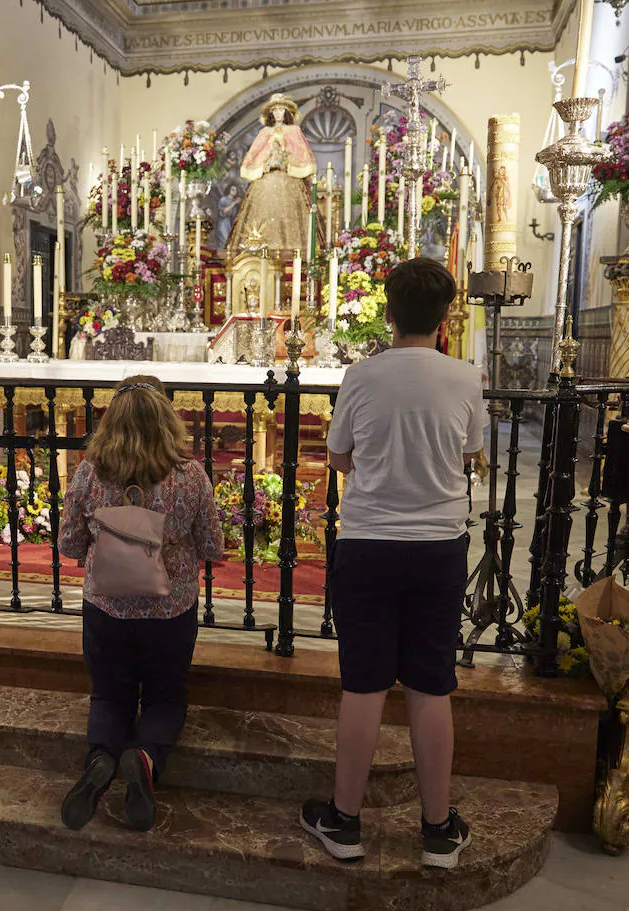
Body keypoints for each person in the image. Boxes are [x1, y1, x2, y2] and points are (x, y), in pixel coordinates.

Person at [300, 258, 483, 869]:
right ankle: (437, 831)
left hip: (369, 543)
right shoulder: (465, 377)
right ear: (445, 316)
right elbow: (470, 453)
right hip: (438, 548)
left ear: (388, 312)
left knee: (364, 684)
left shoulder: (362, 374)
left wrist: (378, 473)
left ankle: (345, 822)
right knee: (432, 685)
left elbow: (339, 455)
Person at [57, 375, 223, 832]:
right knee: (166, 696)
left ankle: (99, 761)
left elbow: (69, 543)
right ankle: (145, 757)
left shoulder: (90, 472)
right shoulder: (190, 476)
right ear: (168, 419)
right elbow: (211, 545)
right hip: (169, 610)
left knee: (110, 693)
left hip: (106, 606)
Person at [227, 92, 319, 254]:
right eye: (275, 110)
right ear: (271, 113)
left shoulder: (294, 131)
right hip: (266, 181)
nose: (278, 113)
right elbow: (254, 155)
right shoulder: (264, 133)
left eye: (281, 109)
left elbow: (301, 153)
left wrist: (287, 162)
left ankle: (293, 253)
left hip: (289, 179)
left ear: (286, 112)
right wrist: (263, 165)